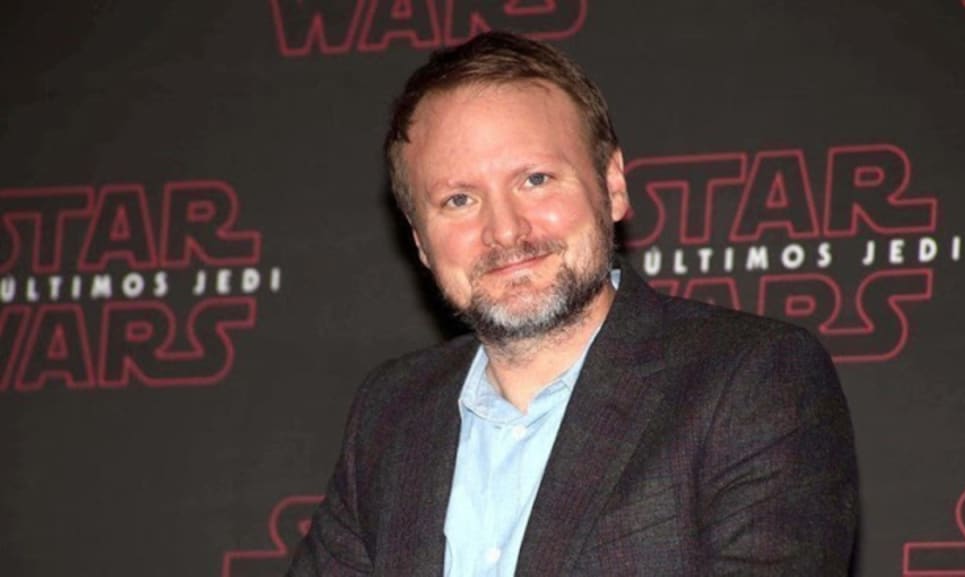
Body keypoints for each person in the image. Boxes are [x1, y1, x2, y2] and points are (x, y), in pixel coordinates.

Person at [287, 31, 858, 577]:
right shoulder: (391, 413)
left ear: (612, 185)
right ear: (419, 241)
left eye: (535, 179)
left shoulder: (750, 380)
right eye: (459, 200)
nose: (505, 230)